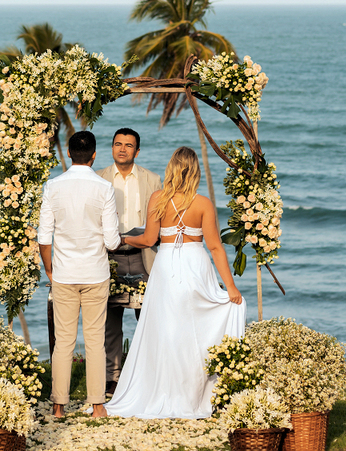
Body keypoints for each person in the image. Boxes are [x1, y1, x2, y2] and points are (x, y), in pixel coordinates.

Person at [105, 146, 246, 419]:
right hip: (195, 264)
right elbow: (216, 248)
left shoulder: (158, 198)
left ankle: (165, 390)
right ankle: (195, 393)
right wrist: (230, 287)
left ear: (171, 168)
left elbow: (147, 240)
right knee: (195, 329)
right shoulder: (203, 203)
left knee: (168, 330)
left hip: (167, 265)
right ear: (195, 171)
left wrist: (123, 239)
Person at [38, 131, 121, 418]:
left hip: (63, 274)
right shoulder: (104, 188)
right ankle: (98, 405)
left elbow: (44, 237)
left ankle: (58, 406)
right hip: (95, 274)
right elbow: (111, 241)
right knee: (95, 339)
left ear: (70, 154)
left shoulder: (52, 186)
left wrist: (50, 269)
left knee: (64, 340)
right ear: (94, 155)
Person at [97, 128, 162, 396]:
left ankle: (148, 374)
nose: (122, 149)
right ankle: (112, 378)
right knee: (110, 320)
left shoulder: (153, 179)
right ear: (111, 148)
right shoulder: (99, 178)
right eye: (117, 144)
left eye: (128, 145)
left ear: (137, 151)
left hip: (143, 255)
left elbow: (158, 221)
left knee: (147, 317)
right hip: (108, 255)